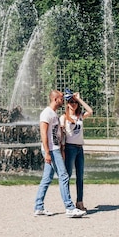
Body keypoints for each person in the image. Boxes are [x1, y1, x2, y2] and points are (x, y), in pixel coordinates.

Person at [33, 90, 86, 218]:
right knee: (64, 176)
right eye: (62, 98)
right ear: (56, 99)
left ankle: (38, 207)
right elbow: (43, 134)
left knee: (47, 179)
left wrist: (61, 148)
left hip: (55, 148)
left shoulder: (53, 113)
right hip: (51, 149)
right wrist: (47, 152)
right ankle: (69, 207)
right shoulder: (46, 113)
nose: (64, 100)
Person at [60, 88, 93, 212]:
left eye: (75, 102)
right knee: (67, 175)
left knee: (80, 176)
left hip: (79, 148)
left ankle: (79, 202)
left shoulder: (80, 116)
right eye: (71, 102)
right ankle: (68, 203)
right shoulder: (63, 117)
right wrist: (62, 150)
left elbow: (90, 110)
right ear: (67, 104)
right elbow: (61, 135)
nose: (73, 104)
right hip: (70, 148)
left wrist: (79, 98)